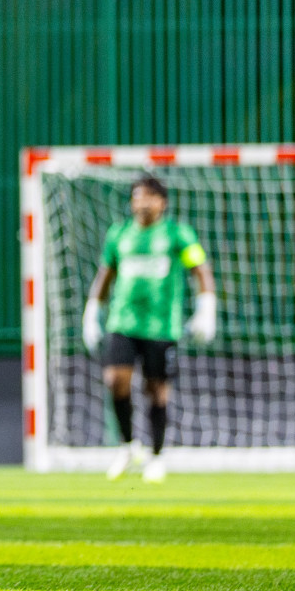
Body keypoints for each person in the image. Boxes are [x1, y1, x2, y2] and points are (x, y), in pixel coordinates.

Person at [83, 173, 217, 483]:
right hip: (123, 322)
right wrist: (93, 310)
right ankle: (128, 446)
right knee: (115, 379)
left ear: (162, 202)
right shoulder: (119, 235)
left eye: (148, 196)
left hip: (161, 326)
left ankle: (157, 456)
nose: (141, 202)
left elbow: (200, 268)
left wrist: (206, 306)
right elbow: (106, 273)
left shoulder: (177, 234)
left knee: (156, 390)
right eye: (136, 197)